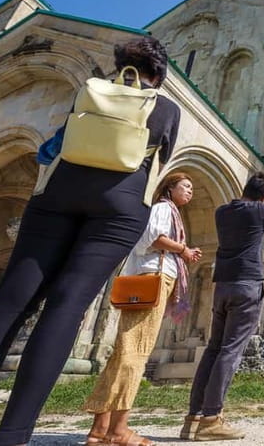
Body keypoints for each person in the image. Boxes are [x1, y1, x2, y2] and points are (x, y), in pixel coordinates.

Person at [0, 37, 181, 446]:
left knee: (8, 302)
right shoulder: (166, 107)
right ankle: (13, 435)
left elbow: (52, 149)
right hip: (120, 202)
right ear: (158, 74)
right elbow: (160, 158)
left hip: (57, 195)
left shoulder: (89, 93)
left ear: (120, 65)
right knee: (67, 305)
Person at [82, 172, 202, 446]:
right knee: (135, 352)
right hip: (151, 280)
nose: (190, 191)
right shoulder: (162, 208)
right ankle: (118, 430)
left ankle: (100, 429)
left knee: (125, 353)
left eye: (192, 188)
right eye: (185, 186)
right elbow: (153, 238)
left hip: (157, 279)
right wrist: (183, 250)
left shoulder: (172, 212)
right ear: (170, 188)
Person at [182, 172, 264, 441]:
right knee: (230, 351)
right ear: (263, 195)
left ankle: (192, 418)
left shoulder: (221, 212)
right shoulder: (261, 210)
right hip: (247, 284)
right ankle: (212, 419)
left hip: (222, 285)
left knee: (213, 348)